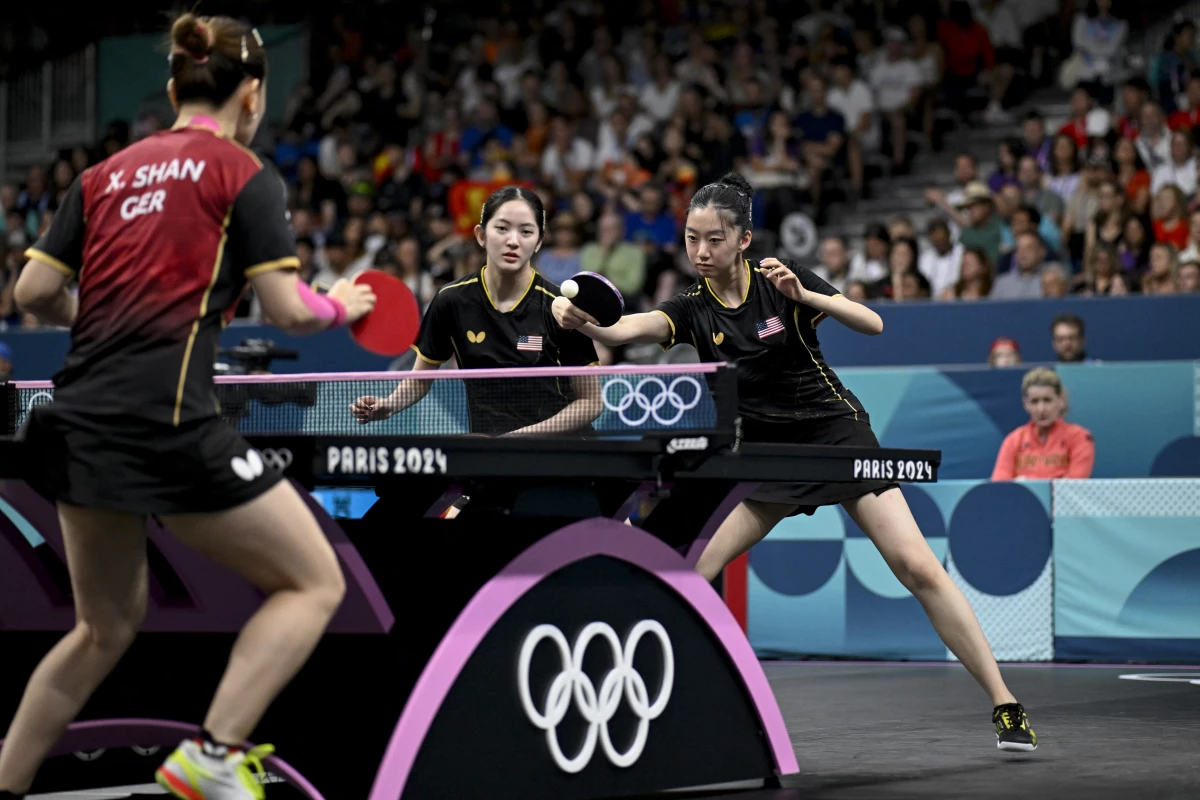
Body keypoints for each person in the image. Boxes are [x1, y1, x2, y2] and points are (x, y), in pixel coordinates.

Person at [0, 14, 376, 800]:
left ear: (172, 90)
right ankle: (213, 754)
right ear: (253, 94)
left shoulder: (99, 177)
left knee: (102, 628)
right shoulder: (243, 173)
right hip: (164, 418)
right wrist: (341, 303)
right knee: (314, 582)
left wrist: (102, 315)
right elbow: (288, 310)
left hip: (75, 422)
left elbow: (31, 293)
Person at [551, 171, 1038, 752]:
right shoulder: (691, 306)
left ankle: (1006, 704)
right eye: (690, 238)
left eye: (714, 239)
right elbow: (631, 327)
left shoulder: (780, 280)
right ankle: (659, 708)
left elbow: (874, 323)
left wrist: (807, 297)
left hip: (836, 436)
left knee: (917, 567)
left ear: (744, 239)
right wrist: (587, 322)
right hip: (765, 455)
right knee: (689, 571)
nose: (700, 252)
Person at [350, 185, 601, 435]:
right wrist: (389, 405)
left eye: (526, 231)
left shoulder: (559, 307)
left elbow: (591, 402)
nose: (513, 241)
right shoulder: (452, 301)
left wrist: (525, 437)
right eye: (502, 228)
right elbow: (420, 379)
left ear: (539, 242)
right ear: (481, 235)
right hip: (492, 453)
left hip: (560, 454)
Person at [992, 368, 1095, 480]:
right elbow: (1000, 486)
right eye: (1035, 401)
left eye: (1047, 400)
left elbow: (1075, 486)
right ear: (1026, 404)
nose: (1041, 409)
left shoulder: (1080, 437)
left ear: (1061, 400)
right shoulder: (1013, 440)